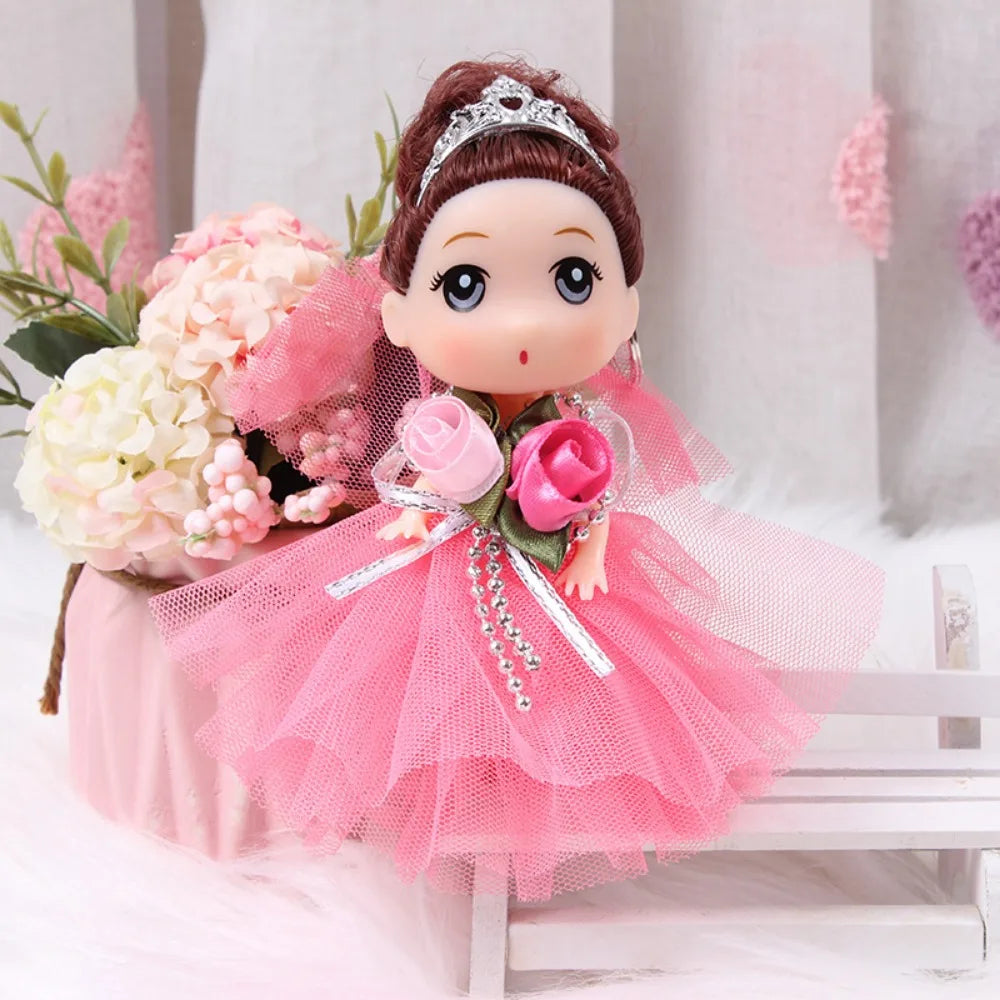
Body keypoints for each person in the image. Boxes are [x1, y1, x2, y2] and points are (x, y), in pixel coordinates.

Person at [152, 59, 883, 902]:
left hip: (563, 565)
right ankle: (464, 829)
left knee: (582, 687)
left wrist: (590, 545)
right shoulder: (435, 416)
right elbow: (414, 473)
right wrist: (418, 513)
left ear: (627, 307)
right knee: (432, 695)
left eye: (573, 279)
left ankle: (544, 816)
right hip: (436, 573)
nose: (526, 322)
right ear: (399, 313)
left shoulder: (575, 423)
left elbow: (597, 488)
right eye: (466, 285)